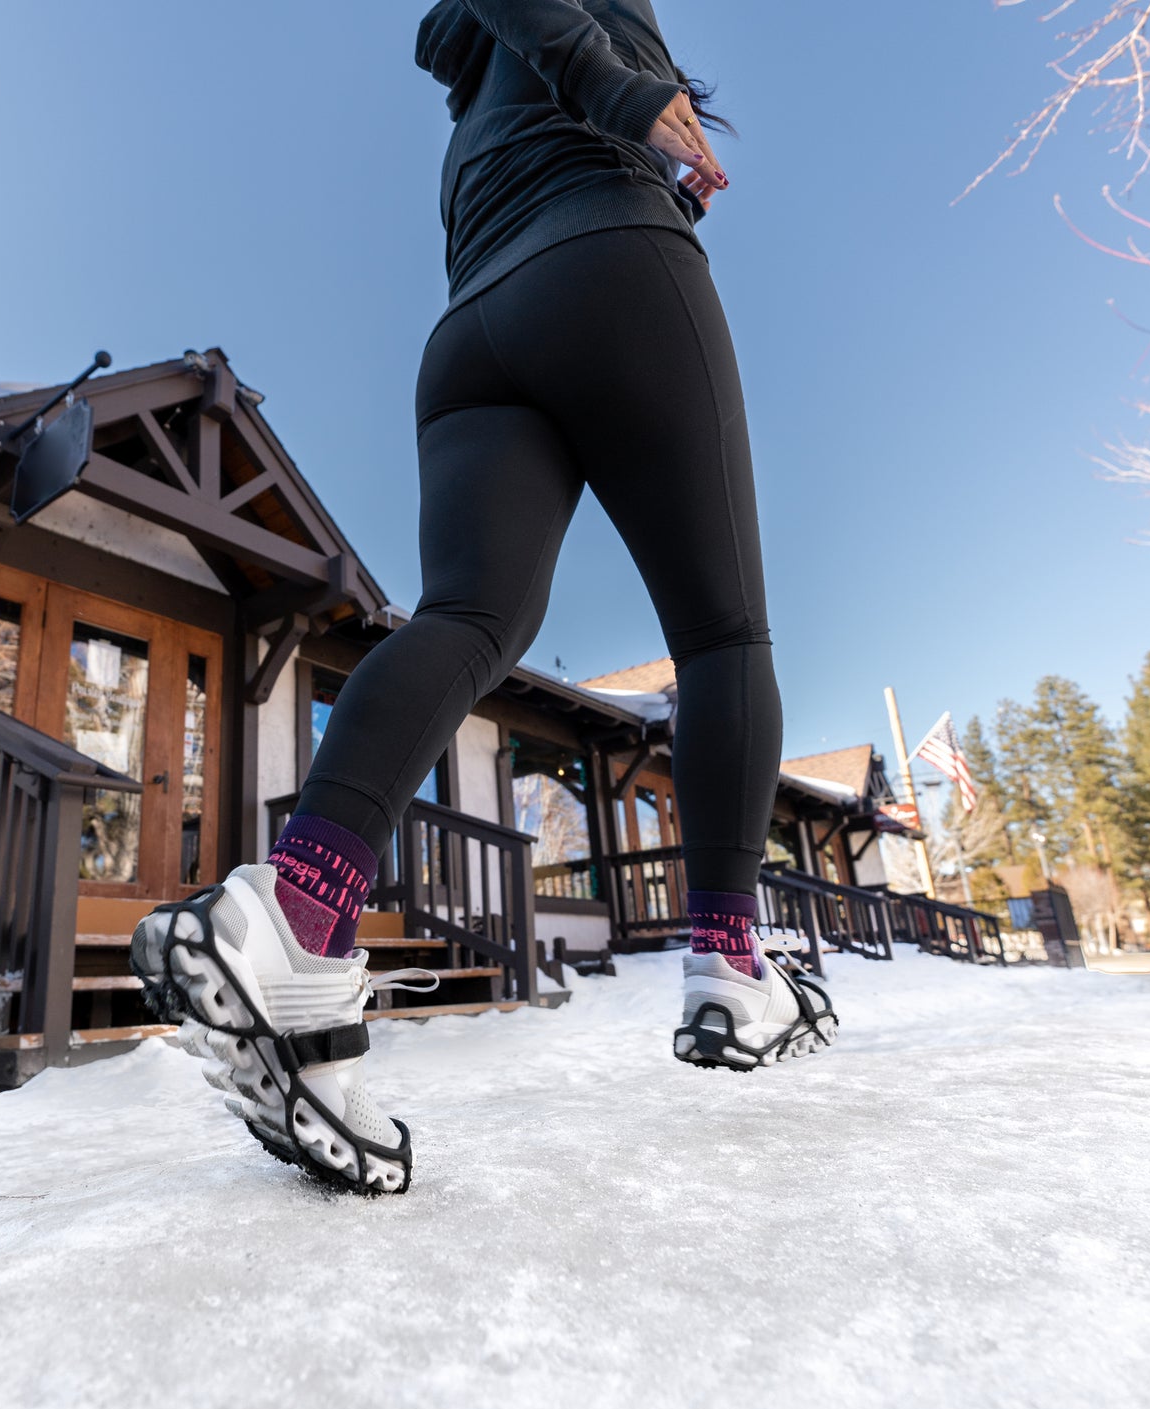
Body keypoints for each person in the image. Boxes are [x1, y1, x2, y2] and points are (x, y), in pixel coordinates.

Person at [130, 0, 837, 1197]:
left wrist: (635, 128)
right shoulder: (560, 46)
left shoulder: (468, 114)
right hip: (611, 266)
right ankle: (727, 960)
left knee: (466, 619)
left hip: (472, 338)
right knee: (721, 633)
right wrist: (622, 103)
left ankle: (298, 913)